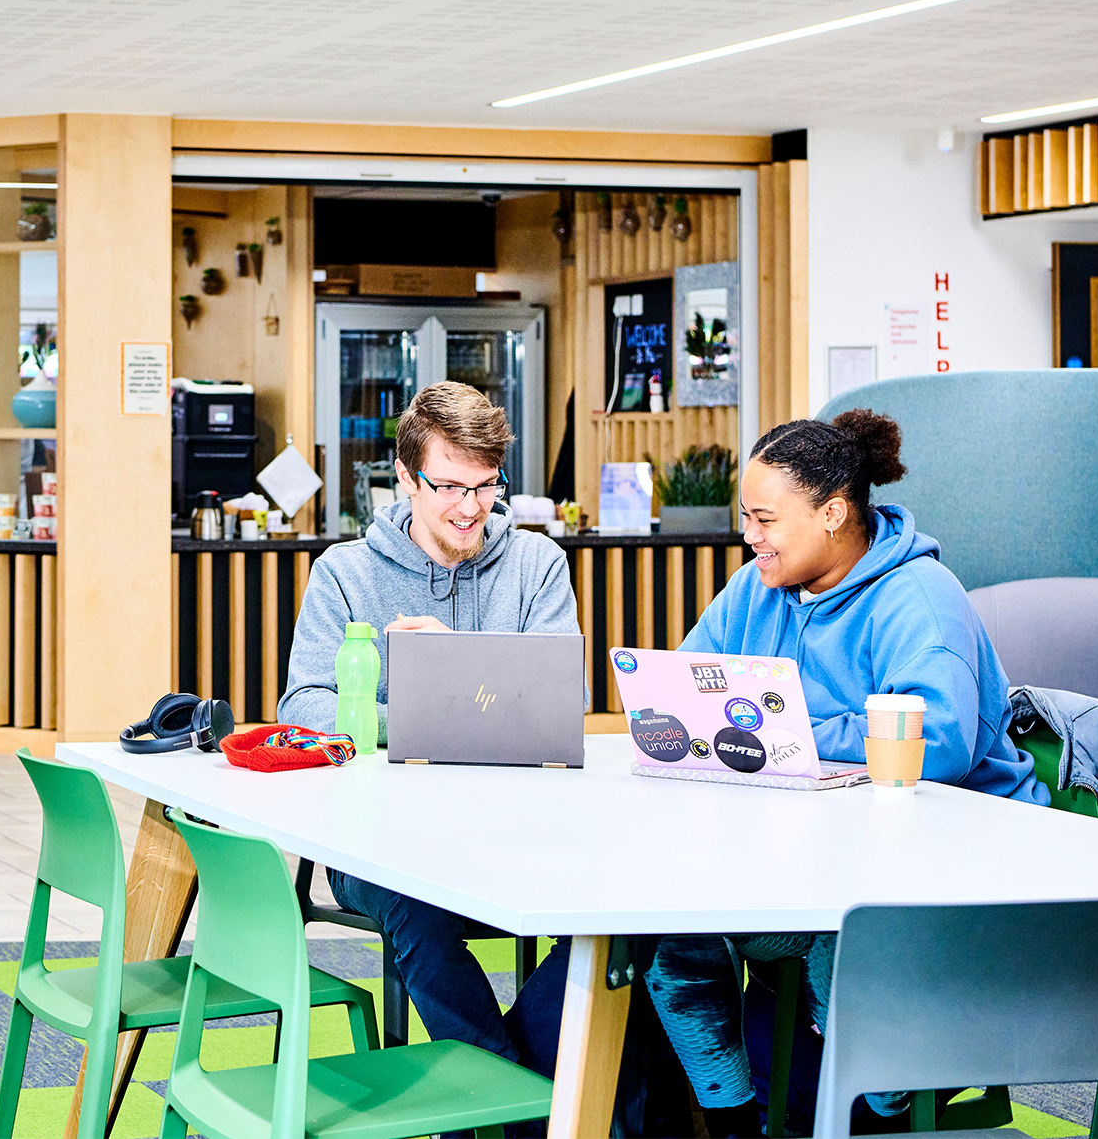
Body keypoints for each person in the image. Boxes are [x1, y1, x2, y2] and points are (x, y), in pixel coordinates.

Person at [642, 409, 1048, 1139]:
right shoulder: (756, 588)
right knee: (673, 925)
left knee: (846, 931)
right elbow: (685, 686)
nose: (749, 535)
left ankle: (874, 1113)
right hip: (799, 858)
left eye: (765, 519)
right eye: (745, 516)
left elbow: (938, 742)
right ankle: (731, 1122)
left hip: (936, 868)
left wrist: (786, 730)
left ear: (832, 513)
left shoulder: (921, 599)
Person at [278, 381, 581, 1126]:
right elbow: (303, 706)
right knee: (417, 906)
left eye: (485, 485)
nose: (470, 507)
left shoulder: (537, 565)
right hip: (378, 844)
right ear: (406, 478)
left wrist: (451, 671)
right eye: (449, 486)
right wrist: (417, 709)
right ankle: (517, 1117)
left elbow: (559, 704)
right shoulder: (346, 573)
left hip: (517, 837)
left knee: (613, 925)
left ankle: (508, 1086)